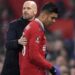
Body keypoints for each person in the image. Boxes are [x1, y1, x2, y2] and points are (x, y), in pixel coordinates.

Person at [19, 2, 58, 75]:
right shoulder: (36, 28)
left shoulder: (32, 26)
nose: (54, 21)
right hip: (33, 72)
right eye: (52, 18)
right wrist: (51, 67)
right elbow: (34, 56)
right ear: (44, 15)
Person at [1, 1, 37, 75]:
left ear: (35, 11)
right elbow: (8, 44)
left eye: (28, 8)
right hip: (13, 68)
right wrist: (18, 42)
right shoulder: (14, 25)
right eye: (24, 8)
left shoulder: (39, 27)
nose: (25, 10)